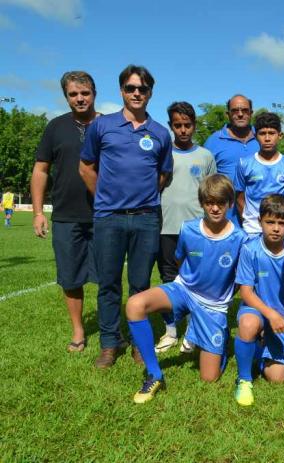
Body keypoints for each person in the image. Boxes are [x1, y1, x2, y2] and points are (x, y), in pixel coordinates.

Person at [79, 64, 173, 369]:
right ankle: (109, 343)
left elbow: (163, 175)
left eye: (142, 89)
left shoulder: (160, 133)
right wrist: (104, 200)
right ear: (121, 91)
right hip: (109, 217)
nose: (136, 93)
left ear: (150, 93)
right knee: (108, 283)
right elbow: (86, 167)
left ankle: (137, 341)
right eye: (131, 88)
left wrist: (141, 199)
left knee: (141, 284)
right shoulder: (102, 126)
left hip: (146, 219)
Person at [125, 174, 247, 403]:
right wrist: (189, 286)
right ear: (201, 203)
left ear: (230, 203)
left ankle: (215, 342)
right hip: (184, 290)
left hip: (214, 305)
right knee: (135, 305)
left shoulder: (240, 238)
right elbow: (181, 261)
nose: (215, 208)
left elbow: (240, 279)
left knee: (209, 378)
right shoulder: (189, 229)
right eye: (209, 202)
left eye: (221, 202)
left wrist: (223, 297)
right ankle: (154, 373)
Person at [30, 70, 99, 352]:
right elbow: (40, 170)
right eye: (73, 94)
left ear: (94, 93)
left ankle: (110, 332)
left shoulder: (109, 125)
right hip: (66, 216)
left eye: (85, 93)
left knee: (107, 275)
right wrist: (37, 212)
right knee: (70, 277)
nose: (80, 99)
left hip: (104, 215)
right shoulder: (55, 127)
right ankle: (79, 331)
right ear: (66, 96)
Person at [155, 101, 216, 354]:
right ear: (171, 126)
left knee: (196, 280)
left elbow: (212, 192)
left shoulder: (205, 156)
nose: (183, 130)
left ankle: (194, 331)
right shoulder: (162, 153)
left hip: (196, 229)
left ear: (194, 126)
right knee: (169, 279)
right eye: (177, 125)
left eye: (187, 125)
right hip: (166, 227)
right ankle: (170, 331)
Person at [233, 194, 284, 406]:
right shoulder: (250, 249)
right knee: (248, 323)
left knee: (277, 378)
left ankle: (258, 349)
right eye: (270, 222)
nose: (276, 228)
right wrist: (270, 314)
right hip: (258, 312)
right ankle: (244, 380)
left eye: (282, 223)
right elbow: (245, 292)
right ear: (259, 221)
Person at [234, 112, 284, 237]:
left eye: (271, 133)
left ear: (280, 135)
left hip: (282, 229)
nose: (267, 138)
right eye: (262, 134)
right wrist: (248, 220)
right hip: (253, 229)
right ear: (255, 136)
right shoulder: (244, 163)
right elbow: (239, 197)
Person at [204, 94, 260, 222]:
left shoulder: (262, 137)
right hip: (225, 219)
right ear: (227, 114)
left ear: (251, 113)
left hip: (258, 220)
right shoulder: (213, 141)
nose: (240, 114)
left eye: (245, 110)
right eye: (235, 110)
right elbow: (205, 182)